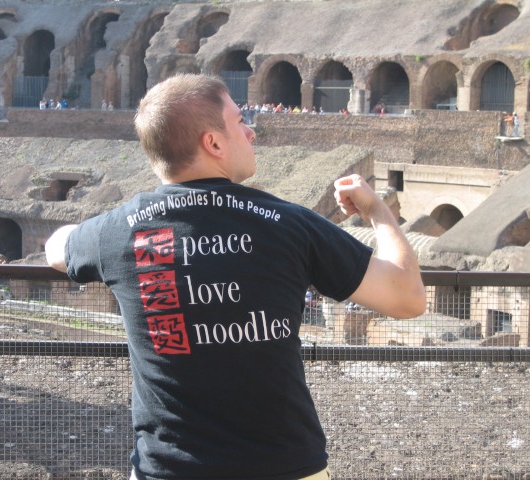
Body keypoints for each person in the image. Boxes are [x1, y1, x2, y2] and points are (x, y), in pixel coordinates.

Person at [45, 74, 425, 480]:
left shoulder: (117, 231)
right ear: (213, 143)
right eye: (240, 120)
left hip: (170, 470)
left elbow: (56, 248)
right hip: (283, 468)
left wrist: (97, 232)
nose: (251, 132)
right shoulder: (289, 224)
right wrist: (377, 211)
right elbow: (407, 298)